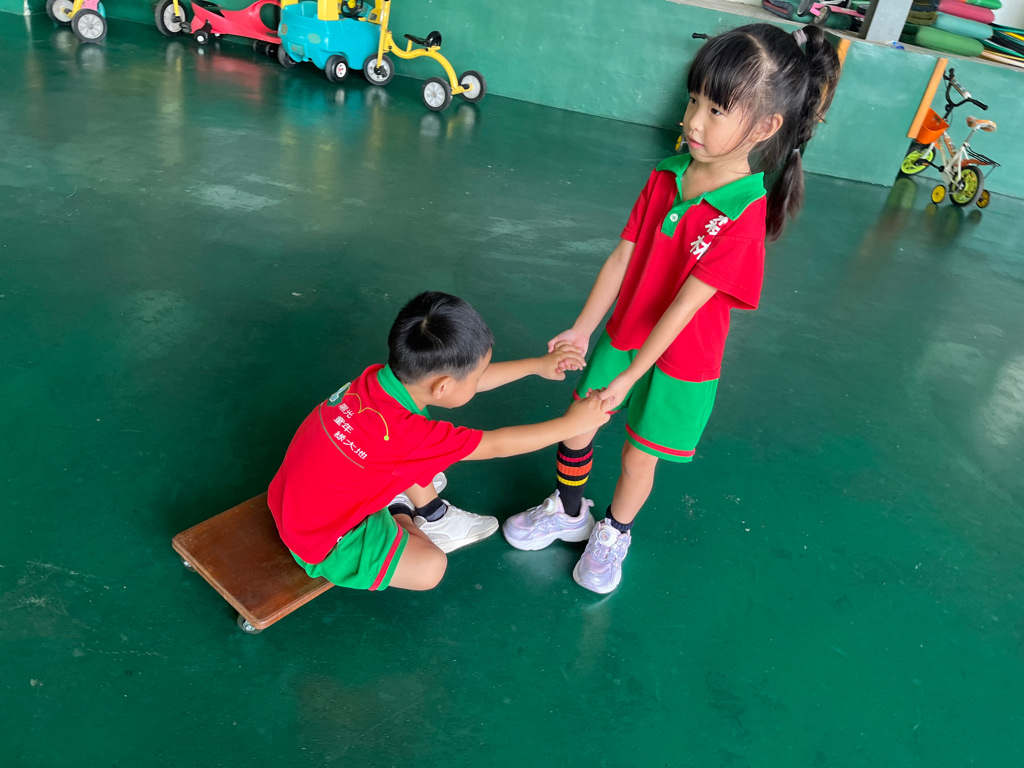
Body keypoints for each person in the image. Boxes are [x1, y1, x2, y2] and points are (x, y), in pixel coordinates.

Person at [502, 24, 842, 593]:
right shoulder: (666, 174)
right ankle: (568, 509)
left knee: (640, 458)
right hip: (625, 334)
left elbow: (684, 309)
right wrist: (583, 329)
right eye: (693, 101)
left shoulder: (743, 215)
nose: (694, 122)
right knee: (578, 424)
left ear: (765, 127)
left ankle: (614, 532)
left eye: (716, 110)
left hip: (682, 362)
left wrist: (632, 375)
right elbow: (622, 255)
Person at [268, 291, 611, 592]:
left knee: (412, 459)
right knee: (430, 568)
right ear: (443, 387)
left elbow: (460, 385)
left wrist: (536, 365)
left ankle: (420, 507)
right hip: (321, 543)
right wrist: (572, 424)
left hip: (290, 501)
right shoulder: (411, 435)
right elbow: (497, 444)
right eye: (476, 376)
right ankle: (408, 513)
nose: (478, 381)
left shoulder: (376, 381)